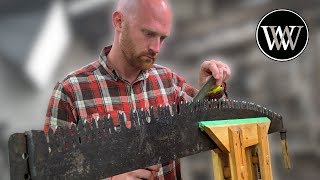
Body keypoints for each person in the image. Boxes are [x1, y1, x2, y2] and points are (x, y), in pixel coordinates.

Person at [44, 0, 231, 179]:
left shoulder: (168, 82)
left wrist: (212, 88)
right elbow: (49, 170)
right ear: (119, 22)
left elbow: (216, 125)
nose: (156, 48)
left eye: (162, 38)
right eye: (148, 34)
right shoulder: (71, 91)